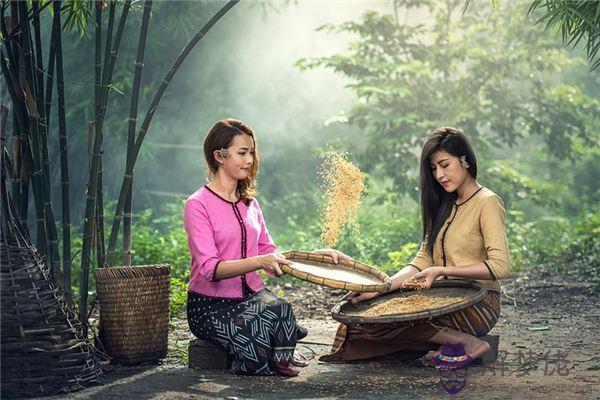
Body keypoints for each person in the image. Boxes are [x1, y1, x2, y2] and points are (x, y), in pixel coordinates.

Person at [321, 127, 510, 366]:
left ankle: (468, 343)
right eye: (433, 169)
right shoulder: (443, 204)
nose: (440, 174)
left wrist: (441, 271)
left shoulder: (487, 202)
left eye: (445, 164)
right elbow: (422, 261)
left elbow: (501, 266)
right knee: (358, 324)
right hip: (438, 300)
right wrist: (381, 287)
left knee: (392, 325)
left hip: (477, 303)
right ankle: (448, 343)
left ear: (465, 161)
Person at [184, 118, 348, 376]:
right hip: (210, 305)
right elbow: (209, 269)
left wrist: (313, 258)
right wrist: (260, 261)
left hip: (251, 297)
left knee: (281, 310)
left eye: (251, 152)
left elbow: (269, 253)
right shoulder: (197, 204)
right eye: (242, 153)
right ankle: (266, 351)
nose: (249, 160)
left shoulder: (250, 204)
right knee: (258, 350)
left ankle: (280, 355)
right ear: (219, 156)